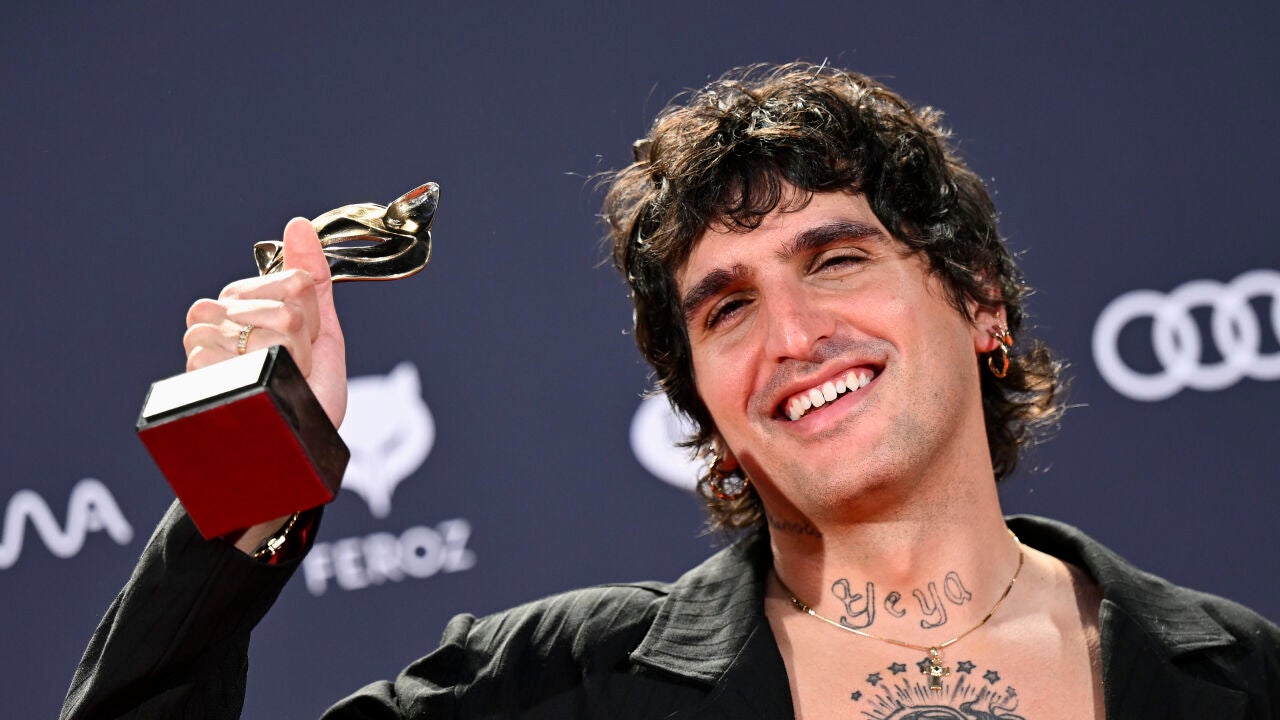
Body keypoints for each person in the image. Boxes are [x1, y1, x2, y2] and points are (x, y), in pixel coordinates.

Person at [62, 63, 1279, 719]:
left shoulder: (1239, 677)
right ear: (700, 399)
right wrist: (252, 461)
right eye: (726, 308)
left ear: (976, 301)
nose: (792, 335)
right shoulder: (545, 687)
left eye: (834, 260)